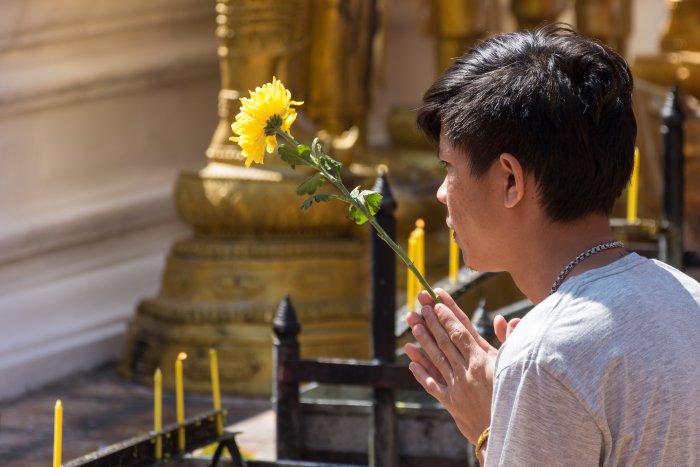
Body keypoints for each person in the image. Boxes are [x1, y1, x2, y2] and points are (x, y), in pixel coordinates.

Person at [404, 23, 700, 466]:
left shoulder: (546, 358)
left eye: (449, 166)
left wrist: (492, 428)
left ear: (509, 179)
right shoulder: (688, 299)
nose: (443, 193)